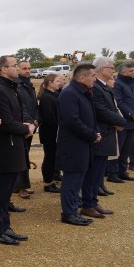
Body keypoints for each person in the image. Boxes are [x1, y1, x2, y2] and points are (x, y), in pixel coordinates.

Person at [0, 56, 34, 246]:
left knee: (6, 192)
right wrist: (26, 129)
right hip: (5, 147)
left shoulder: (11, 88)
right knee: (1, 191)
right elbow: (4, 122)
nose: (17, 68)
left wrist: (29, 124)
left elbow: (20, 113)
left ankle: (5, 227)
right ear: (3, 69)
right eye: (14, 66)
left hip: (15, 145)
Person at [56, 64, 101, 226]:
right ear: (82, 78)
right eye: (93, 76)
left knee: (78, 179)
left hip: (82, 142)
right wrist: (91, 134)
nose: (95, 79)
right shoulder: (70, 94)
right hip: (73, 144)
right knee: (72, 179)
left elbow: (89, 116)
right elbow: (72, 121)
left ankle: (73, 210)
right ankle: (68, 213)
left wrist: (94, 132)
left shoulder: (82, 92)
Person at [85, 57, 126, 210]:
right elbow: (101, 111)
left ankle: (93, 201)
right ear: (102, 70)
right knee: (93, 173)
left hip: (107, 134)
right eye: (111, 67)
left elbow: (112, 108)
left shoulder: (105, 87)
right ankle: (88, 203)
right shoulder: (95, 87)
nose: (113, 70)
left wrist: (118, 119)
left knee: (99, 173)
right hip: (100, 135)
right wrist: (121, 121)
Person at [107, 64, 134, 180]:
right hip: (123, 122)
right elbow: (119, 102)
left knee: (127, 148)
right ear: (123, 72)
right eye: (131, 71)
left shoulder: (133, 84)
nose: (133, 72)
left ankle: (122, 171)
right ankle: (113, 173)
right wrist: (131, 114)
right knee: (119, 148)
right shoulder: (118, 84)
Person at [14, 60, 38, 200]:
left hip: (31, 125)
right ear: (18, 69)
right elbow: (21, 107)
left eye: (29, 68)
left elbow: (34, 105)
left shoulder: (29, 85)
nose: (27, 70)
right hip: (22, 125)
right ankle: (21, 186)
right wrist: (29, 122)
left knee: (25, 155)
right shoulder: (17, 85)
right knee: (21, 156)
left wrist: (36, 121)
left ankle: (20, 185)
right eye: (24, 68)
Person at [37, 74, 63, 193]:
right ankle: (48, 183)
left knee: (53, 158)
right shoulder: (47, 97)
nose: (59, 83)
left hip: (55, 132)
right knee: (49, 157)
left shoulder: (55, 95)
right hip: (50, 133)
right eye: (57, 81)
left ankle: (52, 178)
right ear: (49, 83)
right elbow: (49, 118)